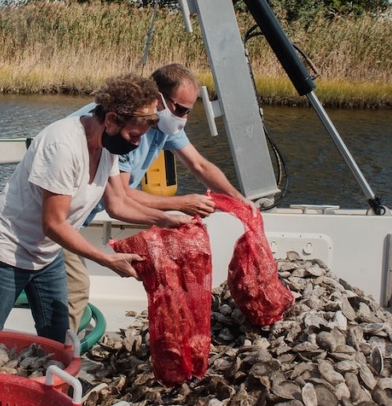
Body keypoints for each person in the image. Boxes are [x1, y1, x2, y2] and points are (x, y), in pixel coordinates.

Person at [0, 74, 192, 342]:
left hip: (47, 255)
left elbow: (117, 203)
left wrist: (167, 220)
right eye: (133, 135)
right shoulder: (63, 146)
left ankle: (53, 379)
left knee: (59, 342)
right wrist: (106, 259)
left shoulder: (108, 146)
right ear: (110, 120)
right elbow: (53, 224)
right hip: (8, 251)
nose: (137, 143)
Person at [64, 63, 253, 331]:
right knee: (76, 290)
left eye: (190, 111)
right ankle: (62, 357)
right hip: (58, 218)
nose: (184, 118)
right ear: (158, 99)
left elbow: (199, 166)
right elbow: (119, 199)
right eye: (180, 110)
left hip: (75, 218)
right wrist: (180, 205)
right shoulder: (125, 132)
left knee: (65, 289)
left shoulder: (165, 126)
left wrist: (237, 199)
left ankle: (58, 351)